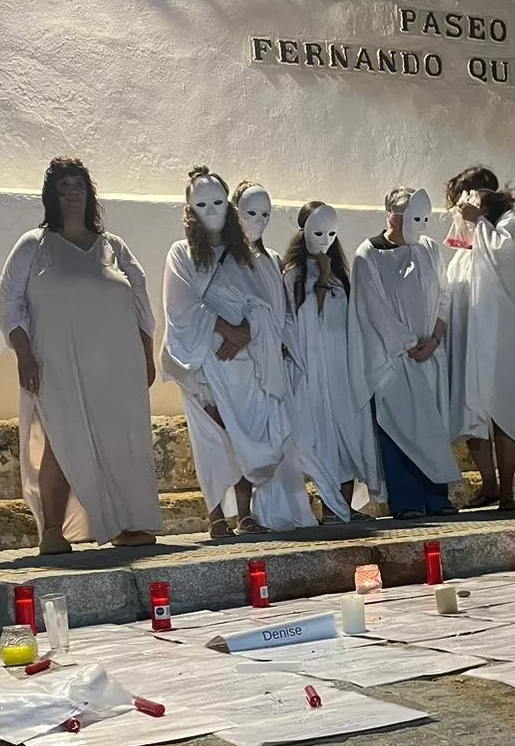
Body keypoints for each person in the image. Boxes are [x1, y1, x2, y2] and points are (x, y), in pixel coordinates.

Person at [0, 157, 163, 554]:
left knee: (122, 443)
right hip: (58, 364)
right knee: (61, 441)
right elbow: (9, 305)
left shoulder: (114, 247)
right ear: (50, 196)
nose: (71, 194)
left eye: (78, 186)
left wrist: (147, 355)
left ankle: (126, 524)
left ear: (89, 194)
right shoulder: (33, 246)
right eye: (63, 187)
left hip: (117, 366)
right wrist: (24, 355)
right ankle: (53, 530)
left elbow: (141, 305)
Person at [161, 164, 316, 537]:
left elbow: (263, 304)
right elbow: (181, 306)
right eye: (202, 205)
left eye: (217, 202)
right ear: (189, 210)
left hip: (244, 362)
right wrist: (226, 330)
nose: (211, 211)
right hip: (205, 362)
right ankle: (216, 515)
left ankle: (245, 514)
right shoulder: (181, 253)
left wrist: (247, 333)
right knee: (212, 438)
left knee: (241, 434)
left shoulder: (243, 254)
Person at [350, 187, 461, 519]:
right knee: (398, 427)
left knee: (430, 429)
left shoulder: (429, 248)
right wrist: (408, 343)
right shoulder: (369, 254)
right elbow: (373, 307)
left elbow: (444, 295)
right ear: (393, 217)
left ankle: (436, 497)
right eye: (413, 218)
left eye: (425, 219)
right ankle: (407, 501)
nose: (420, 226)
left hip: (429, 356)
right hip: (394, 360)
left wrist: (435, 337)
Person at [443, 166, 515, 511]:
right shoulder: (466, 248)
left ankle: (509, 491)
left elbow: (506, 259)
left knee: (502, 408)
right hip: (469, 338)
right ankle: (489, 484)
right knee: (472, 410)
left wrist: (480, 222)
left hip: (501, 337)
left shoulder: (511, 224)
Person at [280, 201, 380, 523]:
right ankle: (329, 507)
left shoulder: (340, 277)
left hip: (340, 370)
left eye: (331, 234)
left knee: (346, 437)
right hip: (312, 371)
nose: (325, 240)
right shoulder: (293, 276)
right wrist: (321, 277)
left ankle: (344, 507)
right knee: (321, 438)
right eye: (318, 232)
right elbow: (309, 319)